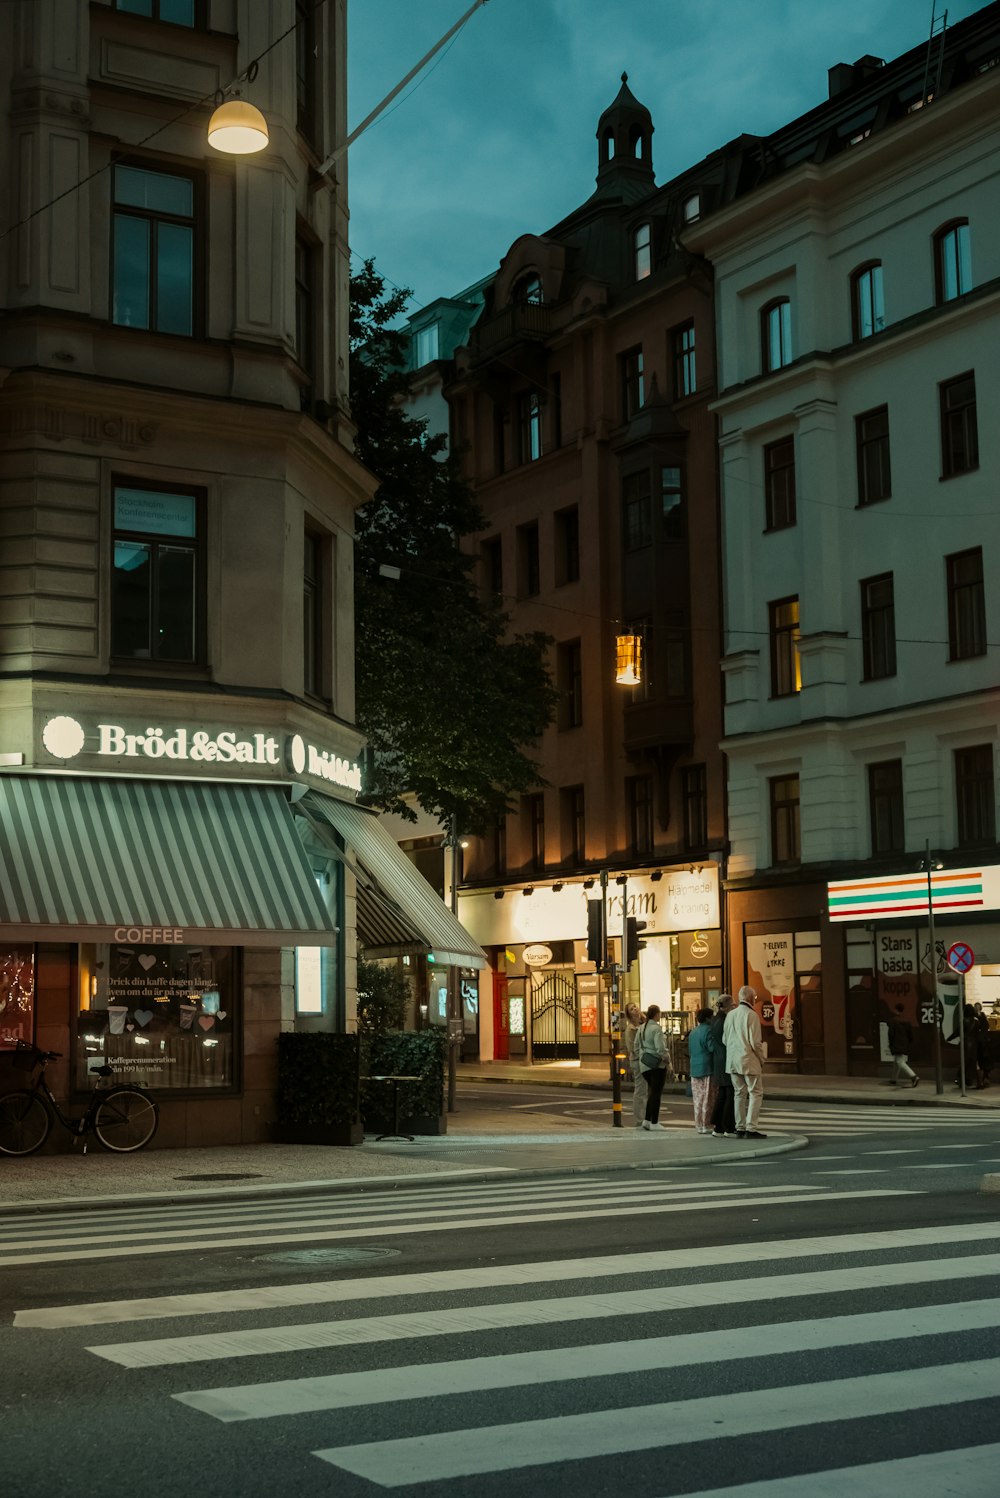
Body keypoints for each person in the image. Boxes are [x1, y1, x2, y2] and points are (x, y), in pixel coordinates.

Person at [723, 984, 767, 1138]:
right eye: (754, 997)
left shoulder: (730, 1015)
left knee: (739, 1094)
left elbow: (724, 1039)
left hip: (732, 1060)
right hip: (748, 1059)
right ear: (750, 998)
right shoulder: (752, 1015)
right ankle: (751, 1127)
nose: (755, 1000)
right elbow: (755, 1042)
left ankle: (740, 1127)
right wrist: (762, 1058)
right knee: (755, 1093)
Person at [636, 1003, 670, 1131]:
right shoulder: (656, 1029)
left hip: (644, 1064)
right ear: (657, 1014)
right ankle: (654, 1122)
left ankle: (647, 1120)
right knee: (656, 1093)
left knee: (652, 1092)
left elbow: (636, 1046)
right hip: (656, 1065)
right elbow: (660, 1048)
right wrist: (667, 1060)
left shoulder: (641, 1028)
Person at [709, 994, 737, 1137]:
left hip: (717, 1059)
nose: (734, 1008)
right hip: (726, 1058)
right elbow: (729, 1040)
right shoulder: (725, 1020)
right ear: (728, 1006)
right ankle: (728, 1126)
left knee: (722, 1093)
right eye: (733, 1005)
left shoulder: (714, 1019)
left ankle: (718, 1126)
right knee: (730, 1093)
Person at [687, 1007, 716, 1134]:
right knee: (708, 1098)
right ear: (708, 1018)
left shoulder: (693, 1032)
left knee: (698, 1098)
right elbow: (711, 1048)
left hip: (695, 1067)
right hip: (707, 1067)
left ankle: (698, 1124)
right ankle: (706, 1124)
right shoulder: (709, 1030)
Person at [623, 1002, 647, 1127]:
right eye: (632, 1009)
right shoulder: (630, 1029)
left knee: (645, 1090)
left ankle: (645, 1117)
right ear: (629, 1014)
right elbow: (632, 1047)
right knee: (640, 1089)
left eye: (636, 1006)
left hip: (646, 1060)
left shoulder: (644, 1024)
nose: (635, 1009)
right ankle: (639, 1119)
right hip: (638, 1061)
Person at [887, 1009, 918, 1088]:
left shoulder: (892, 1022)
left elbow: (891, 1034)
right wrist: (908, 1042)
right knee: (896, 1061)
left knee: (899, 1061)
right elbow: (910, 1035)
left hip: (896, 1043)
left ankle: (913, 1077)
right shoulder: (906, 1022)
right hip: (904, 1043)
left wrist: (891, 1044)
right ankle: (893, 1079)